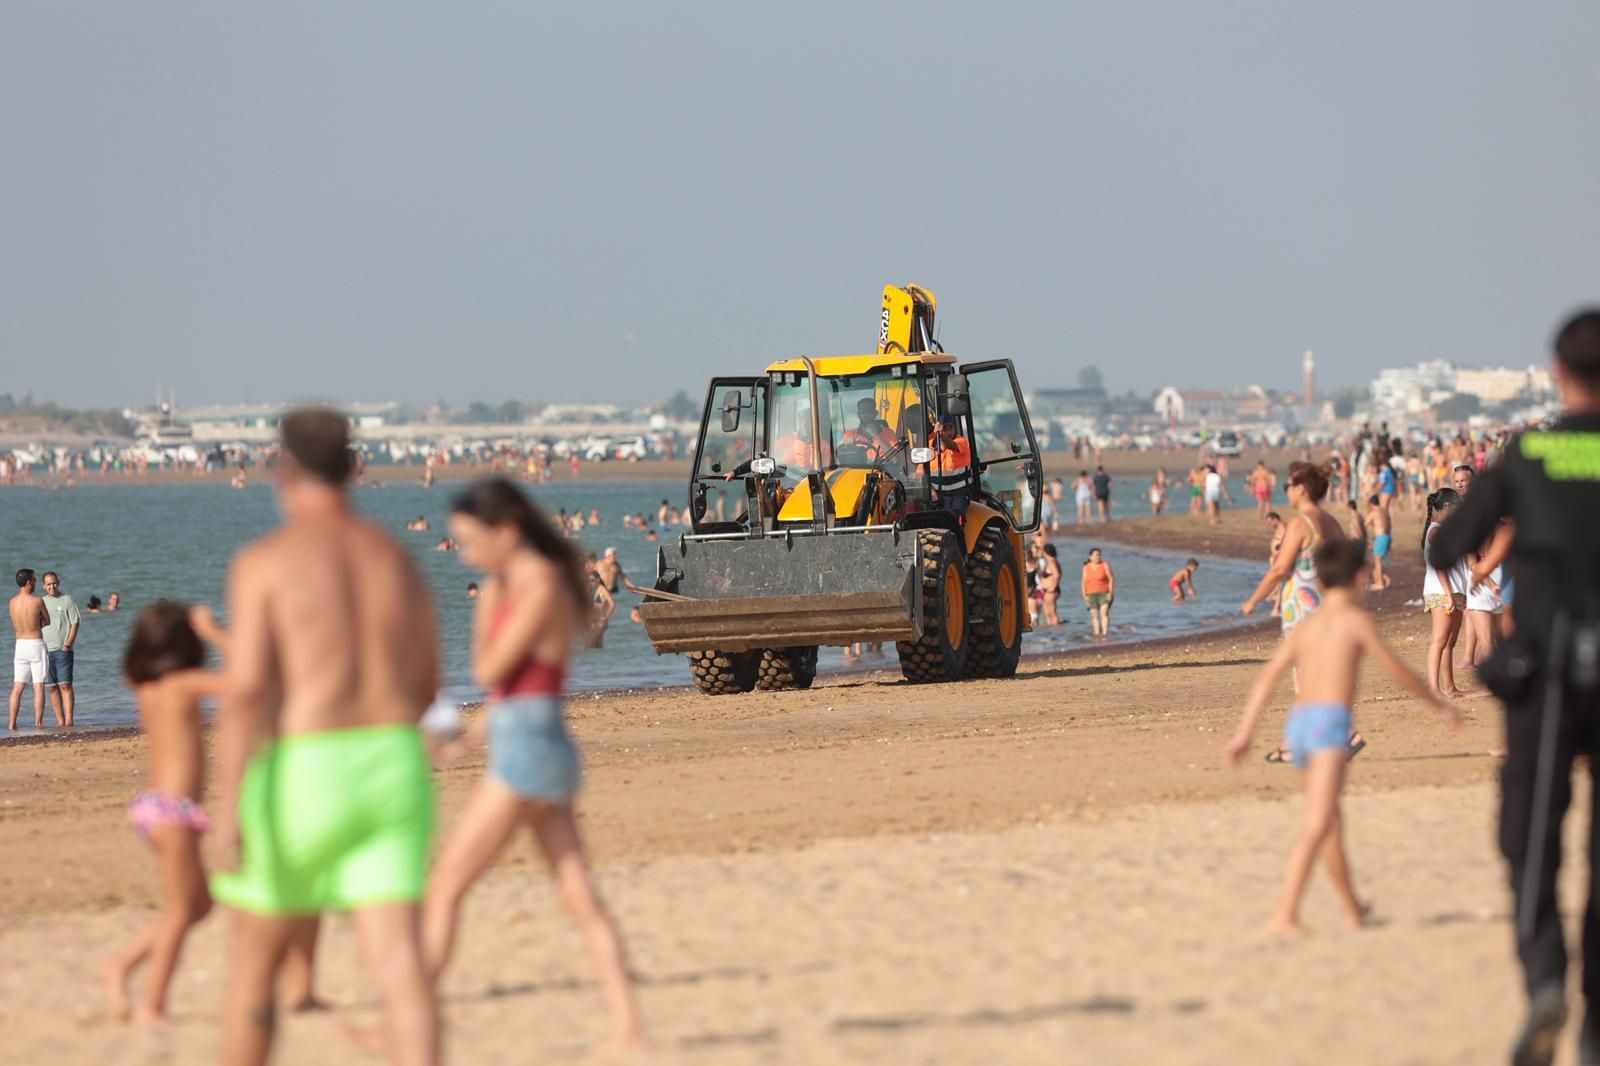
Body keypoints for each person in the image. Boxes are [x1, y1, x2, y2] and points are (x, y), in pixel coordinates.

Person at [210, 408, 441, 1066]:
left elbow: (247, 691)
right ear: (353, 468)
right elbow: (428, 686)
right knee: (399, 970)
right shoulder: (396, 559)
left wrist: (227, 805)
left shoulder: (266, 561)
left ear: (283, 472)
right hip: (392, 763)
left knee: (254, 972)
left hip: (304, 767)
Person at [1426, 310, 1600, 1065]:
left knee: (1530, 836)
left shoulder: (1527, 456)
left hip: (1549, 665)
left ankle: (1545, 981)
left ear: (1559, 374)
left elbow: (1447, 544)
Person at [425, 478, 647, 1052]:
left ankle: (410, 1015)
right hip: (533, 737)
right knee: (577, 894)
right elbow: (514, 691)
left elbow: (492, 669)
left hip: (530, 749)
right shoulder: (525, 580)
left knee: (447, 885)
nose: (467, 555)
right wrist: (469, 738)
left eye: (473, 542)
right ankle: (628, 1024)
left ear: (507, 531)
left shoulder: (538, 584)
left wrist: (491, 604)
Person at [1224, 540, 1459, 935]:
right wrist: (1439, 706)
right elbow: (1399, 672)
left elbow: (1268, 678)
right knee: (1317, 823)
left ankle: (1354, 908)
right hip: (1329, 726)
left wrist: (1245, 732)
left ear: (1319, 578)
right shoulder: (1355, 621)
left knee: (1330, 821)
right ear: (1360, 577)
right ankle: (1284, 913)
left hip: (1298, 725)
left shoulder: (1307, 625)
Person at [100, 602, 223, 1022]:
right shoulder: (183, 683)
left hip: (153, 808)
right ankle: (152, 1004)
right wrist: (215, 633)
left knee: (200, 905)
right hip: (173, 811)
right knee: (182, 911)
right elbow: (249, 679)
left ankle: (122, 963)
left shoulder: (144, 686)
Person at [1422, 488, 1469, 699]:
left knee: (1449, 642)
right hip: (1441, 591)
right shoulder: (1435, 531)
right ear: (1447, 507)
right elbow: (1439, 565)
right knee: (1439, 640)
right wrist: (1449, 593)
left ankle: (1449, 687)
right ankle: (1434, 688)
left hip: (1455, 589)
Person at [10, 569, 52, 730]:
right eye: (34, 580)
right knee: (38, 686)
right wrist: (38, 622)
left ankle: (12, 723)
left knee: (18, 687)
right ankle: (38, 723)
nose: (35, 583)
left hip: (19, 645)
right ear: (28, 582)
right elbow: (47, 620)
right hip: (35, 643)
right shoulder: (37, 601)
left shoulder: (12, 602)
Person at [40, 571, 81, 727]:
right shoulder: (40, 602)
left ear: (59, 582)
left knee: (65, 685)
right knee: (52, 688)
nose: (52, 586)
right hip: (45, 650)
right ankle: (60, 720)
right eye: (49, 584)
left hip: (63, 649)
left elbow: (75, 623)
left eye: (54, 582)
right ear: (44, 586)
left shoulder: (67, 600)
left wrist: (68, 645)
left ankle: (69, 720)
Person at [929, 415, 973, 515]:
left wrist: (941, 434)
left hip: (958, 493)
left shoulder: (961, 441)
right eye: (944, 428)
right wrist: (930, 490)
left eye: (950, 428)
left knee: (955, 519)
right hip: (938, 495)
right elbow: (921, 473)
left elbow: (951, 445)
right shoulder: (930, 446)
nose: (948, 432)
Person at [1082, 548, 1114, 637]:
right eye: (1096, 555)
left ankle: (1105, 634)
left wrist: (1110, 592)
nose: (1098, 557)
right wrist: (1084, 596)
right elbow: (1083, 582)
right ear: (1090, 557)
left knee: (1104, 613)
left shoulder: (1104, 564)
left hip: (1104, 592)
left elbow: (1111, 578)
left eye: (1099, 555)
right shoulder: (1086, 567)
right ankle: (1097, 634)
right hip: (1091, 593)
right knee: (1094, 615)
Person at [1365, 494, 1392, 590]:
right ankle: (1382, 579)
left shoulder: (1373, 513)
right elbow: (1389, 524)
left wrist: (1365, 539)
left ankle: (1380, 583)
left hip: (1381, 538)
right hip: (1387, 537)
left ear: (1371, 504)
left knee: (1377, 561)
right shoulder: (1384, 511)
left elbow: (1364, 525)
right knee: (1379, 560)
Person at [587, 571, 616, 648]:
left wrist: (607, 616)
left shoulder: (603, 590)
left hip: (601, 622)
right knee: (598, 648)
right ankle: (602, 660)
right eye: (589, 581)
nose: (591, 583)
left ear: (598, 579)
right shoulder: (597, 590)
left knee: (588, 645)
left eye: (592, 580)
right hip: (595, 621)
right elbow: (598, 606)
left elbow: (612, 603)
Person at [1036, 543, 1062, 626]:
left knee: (1052, 612)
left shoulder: (1052, 562)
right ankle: (1050, 633)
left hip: (1051, 591)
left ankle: (1056, 631)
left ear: (1045, 552)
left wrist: (1053, 587)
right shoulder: (1052, 561)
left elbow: (1057, 574)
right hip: (1047, 590)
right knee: (1047, 612)